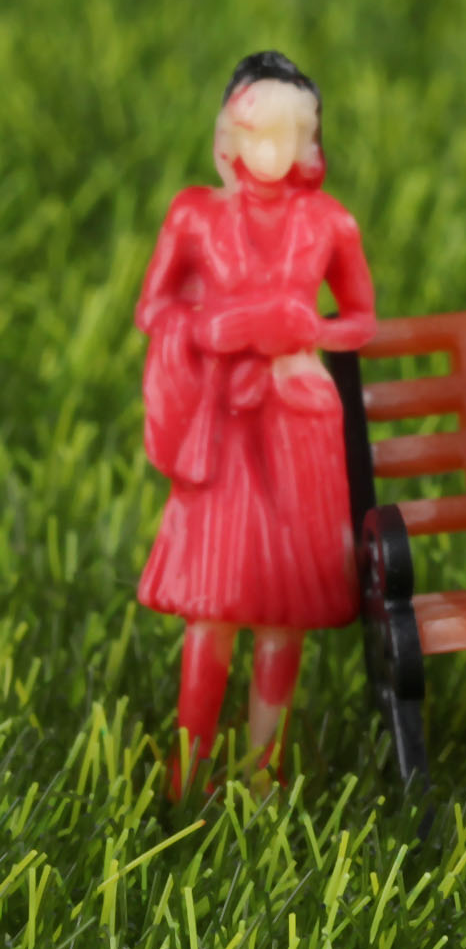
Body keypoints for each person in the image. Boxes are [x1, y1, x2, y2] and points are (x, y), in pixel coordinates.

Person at [137, 51, 376, 795]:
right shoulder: (195, 215)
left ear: (309, 140)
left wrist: (311, 329)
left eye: (288, 132)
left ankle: (263, 766)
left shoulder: (329, 221)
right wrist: (212, 326)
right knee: (210, 605)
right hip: (220, 423)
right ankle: (190, 760)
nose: (271, 149)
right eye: (257, 130)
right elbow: (154, 306)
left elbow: (360, 317)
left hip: (298, 416)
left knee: (282, 607)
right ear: (229, 135)